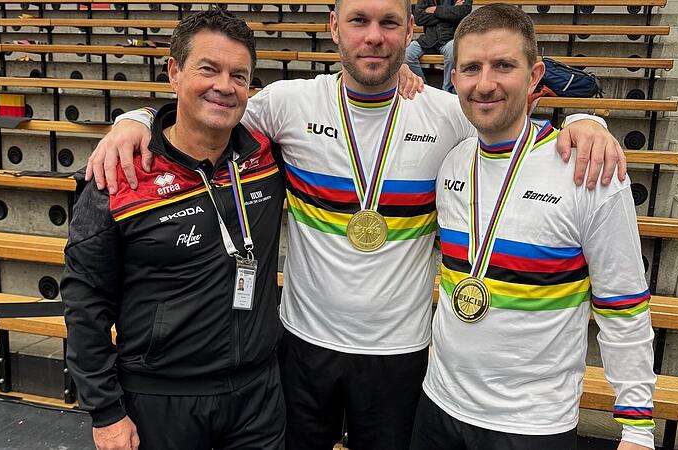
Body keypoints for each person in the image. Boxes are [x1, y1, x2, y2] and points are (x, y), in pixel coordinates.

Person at [87, 0, 628, 448]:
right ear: (333, 27)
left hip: (399, 354)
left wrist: (585, 121)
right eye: (359, 21)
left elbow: (510, 122)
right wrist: (134, 120)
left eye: (389, 22)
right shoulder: (288, 104)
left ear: (410, 31)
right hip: (302, 344)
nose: (374, 36)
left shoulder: (445, 113)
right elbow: (203, 111)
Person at [411, 5, 655, 450]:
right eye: (472, 68)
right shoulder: (451, 162)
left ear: (535, 76)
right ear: (454, 78)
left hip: (532, 424)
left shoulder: (589, 172)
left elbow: (624, 304)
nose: (485, 84)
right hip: (439, 406)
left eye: (503, 66)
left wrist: (637, 428)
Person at [61, 10, 286, 450]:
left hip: (258, 397)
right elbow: (85, 299)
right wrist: (106, 411)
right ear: (174, 73)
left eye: (239, 75)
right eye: (208, 69)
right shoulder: (120, 175)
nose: (225, 85)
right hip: (160, 400)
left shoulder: (265, 155)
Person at [405, 0, 471, 93]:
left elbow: (463, 12)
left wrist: (434, 10)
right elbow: (419, 18)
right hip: (427, 40)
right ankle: (424, 90)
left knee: (453, 49)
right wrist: (450, 13)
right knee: (408, 53)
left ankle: (447, 91)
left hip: (449, 39)